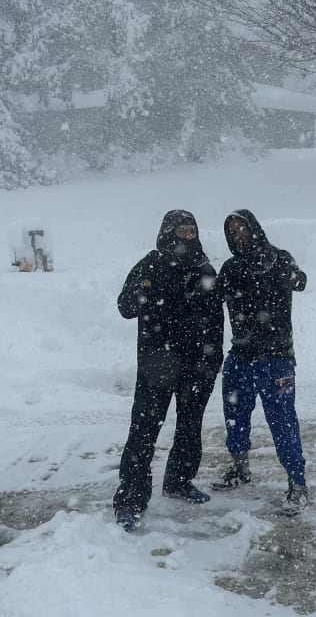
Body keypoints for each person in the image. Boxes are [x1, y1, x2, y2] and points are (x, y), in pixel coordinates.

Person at [113, 210, 224, 531]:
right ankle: (131, 499)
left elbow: (216, 319)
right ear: (167, 232)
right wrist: (150, 290)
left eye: (192, 230)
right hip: (156, 364)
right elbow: (125, 307)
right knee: (144, 431)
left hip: (196, 365)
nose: (187, 236)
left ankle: (178, 481)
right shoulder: (150, 264)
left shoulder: (203, 267)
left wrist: (213, 359)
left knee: (190, 427)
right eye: (181, 230)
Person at [210, 209, 310, 512]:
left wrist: (285, 273)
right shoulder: (230, 267)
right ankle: (241, 469)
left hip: (277, 359)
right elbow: (211, 297)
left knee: (282, 422)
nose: (239, 235)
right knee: (235, 417)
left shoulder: (279, 259)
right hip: (240, 356)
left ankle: (298, 484)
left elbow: (300, 282)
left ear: (255, 228)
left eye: (243, 228)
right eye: (233, 232)